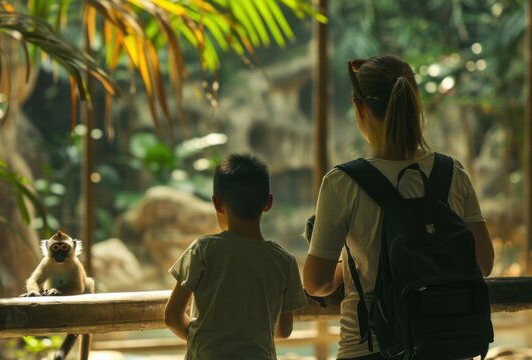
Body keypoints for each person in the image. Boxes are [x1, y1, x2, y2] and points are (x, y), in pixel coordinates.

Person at [302, 55, 495, 360]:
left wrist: (347, 266)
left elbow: (316, 282)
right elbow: (483, 263)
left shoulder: (342, 183)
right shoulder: (452, 173)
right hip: (447, 345)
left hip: (369, 349)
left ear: (359, 109)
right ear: (414, 104)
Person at [165, 154, 308, 359]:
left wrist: (203, 341)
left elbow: (172, 317)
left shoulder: (203, 250)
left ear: (217, 203)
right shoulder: (284, 260)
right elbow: (283, 330)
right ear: (268, 203)